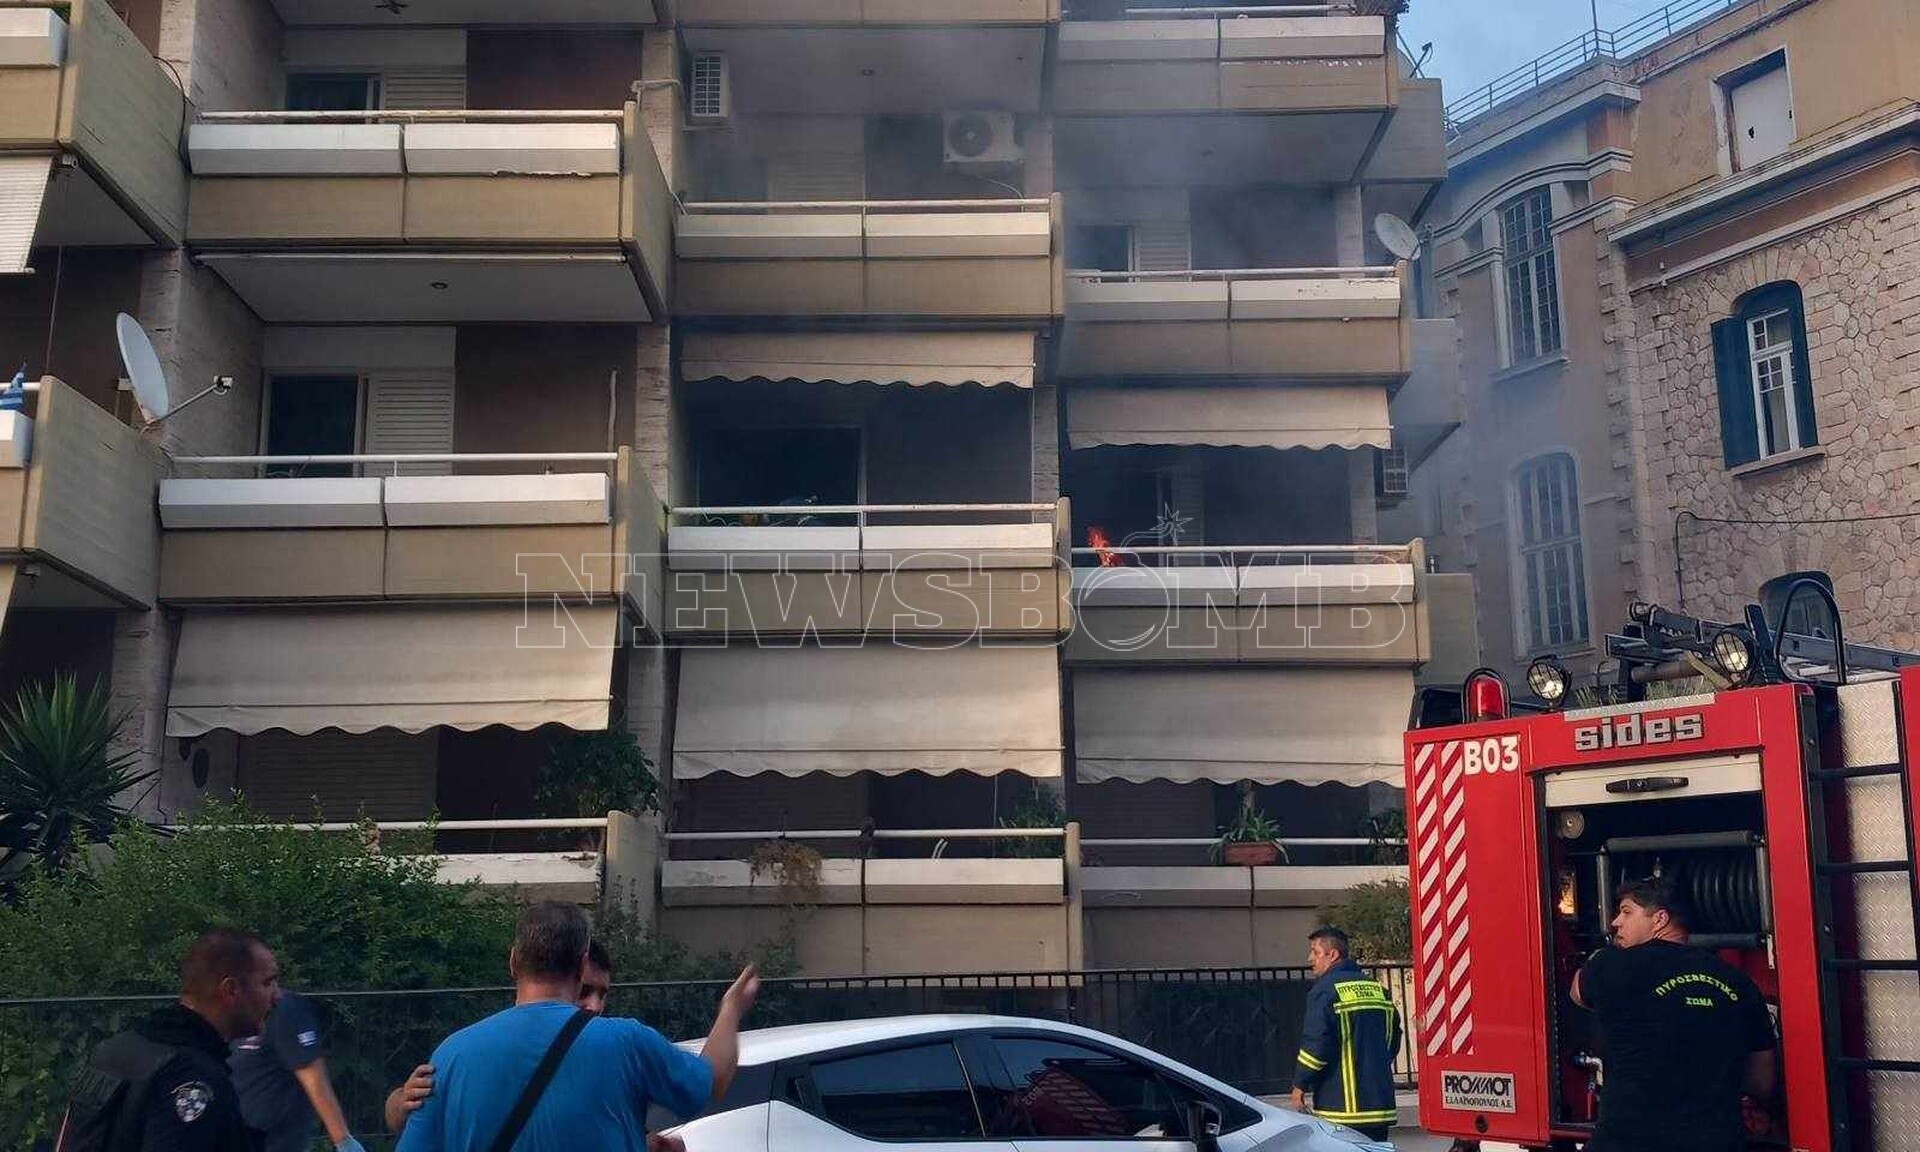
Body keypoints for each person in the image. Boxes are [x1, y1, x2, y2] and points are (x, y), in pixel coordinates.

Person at [394, 902, 756, 1152]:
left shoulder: (452, 1055)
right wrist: (731, 1010)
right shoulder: (626, 1042)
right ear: (583, 966)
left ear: (513, 961)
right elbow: (712, 1081)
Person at [1571, 875, 1777, 1152]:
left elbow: (1577, 993)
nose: (1616, 922)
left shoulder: (1612, 965)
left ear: (1660, 919)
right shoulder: (1739, 982)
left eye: (1626, 912)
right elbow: (1761, 1082)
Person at [57, 928, 282, 1152]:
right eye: (268, 982)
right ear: (231, 990)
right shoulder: (191, 1076)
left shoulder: (111, 1051)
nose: (277, 996)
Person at [384, 939, 616, 1132]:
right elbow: (403, 1113)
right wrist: (402, 1102)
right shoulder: (482, 1047)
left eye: (602, 994)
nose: (595, 1006)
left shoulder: (613, 1054)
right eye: (585, 991)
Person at [1288, 925, 1401, 1140]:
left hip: (1341, 1108)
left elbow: (1316, 1046)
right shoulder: (1378, 989)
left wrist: (1299, 1085)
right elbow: (1393, 1040)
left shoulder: (1324, 991)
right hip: (1380, 1104)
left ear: (1332, 955)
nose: (1310, 958)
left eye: (1315, 952)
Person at [229, 989, 362, 1152]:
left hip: (274, 1140)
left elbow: (314, 1078)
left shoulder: (286, 1008)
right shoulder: (224, 1010)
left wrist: (343, 1140)